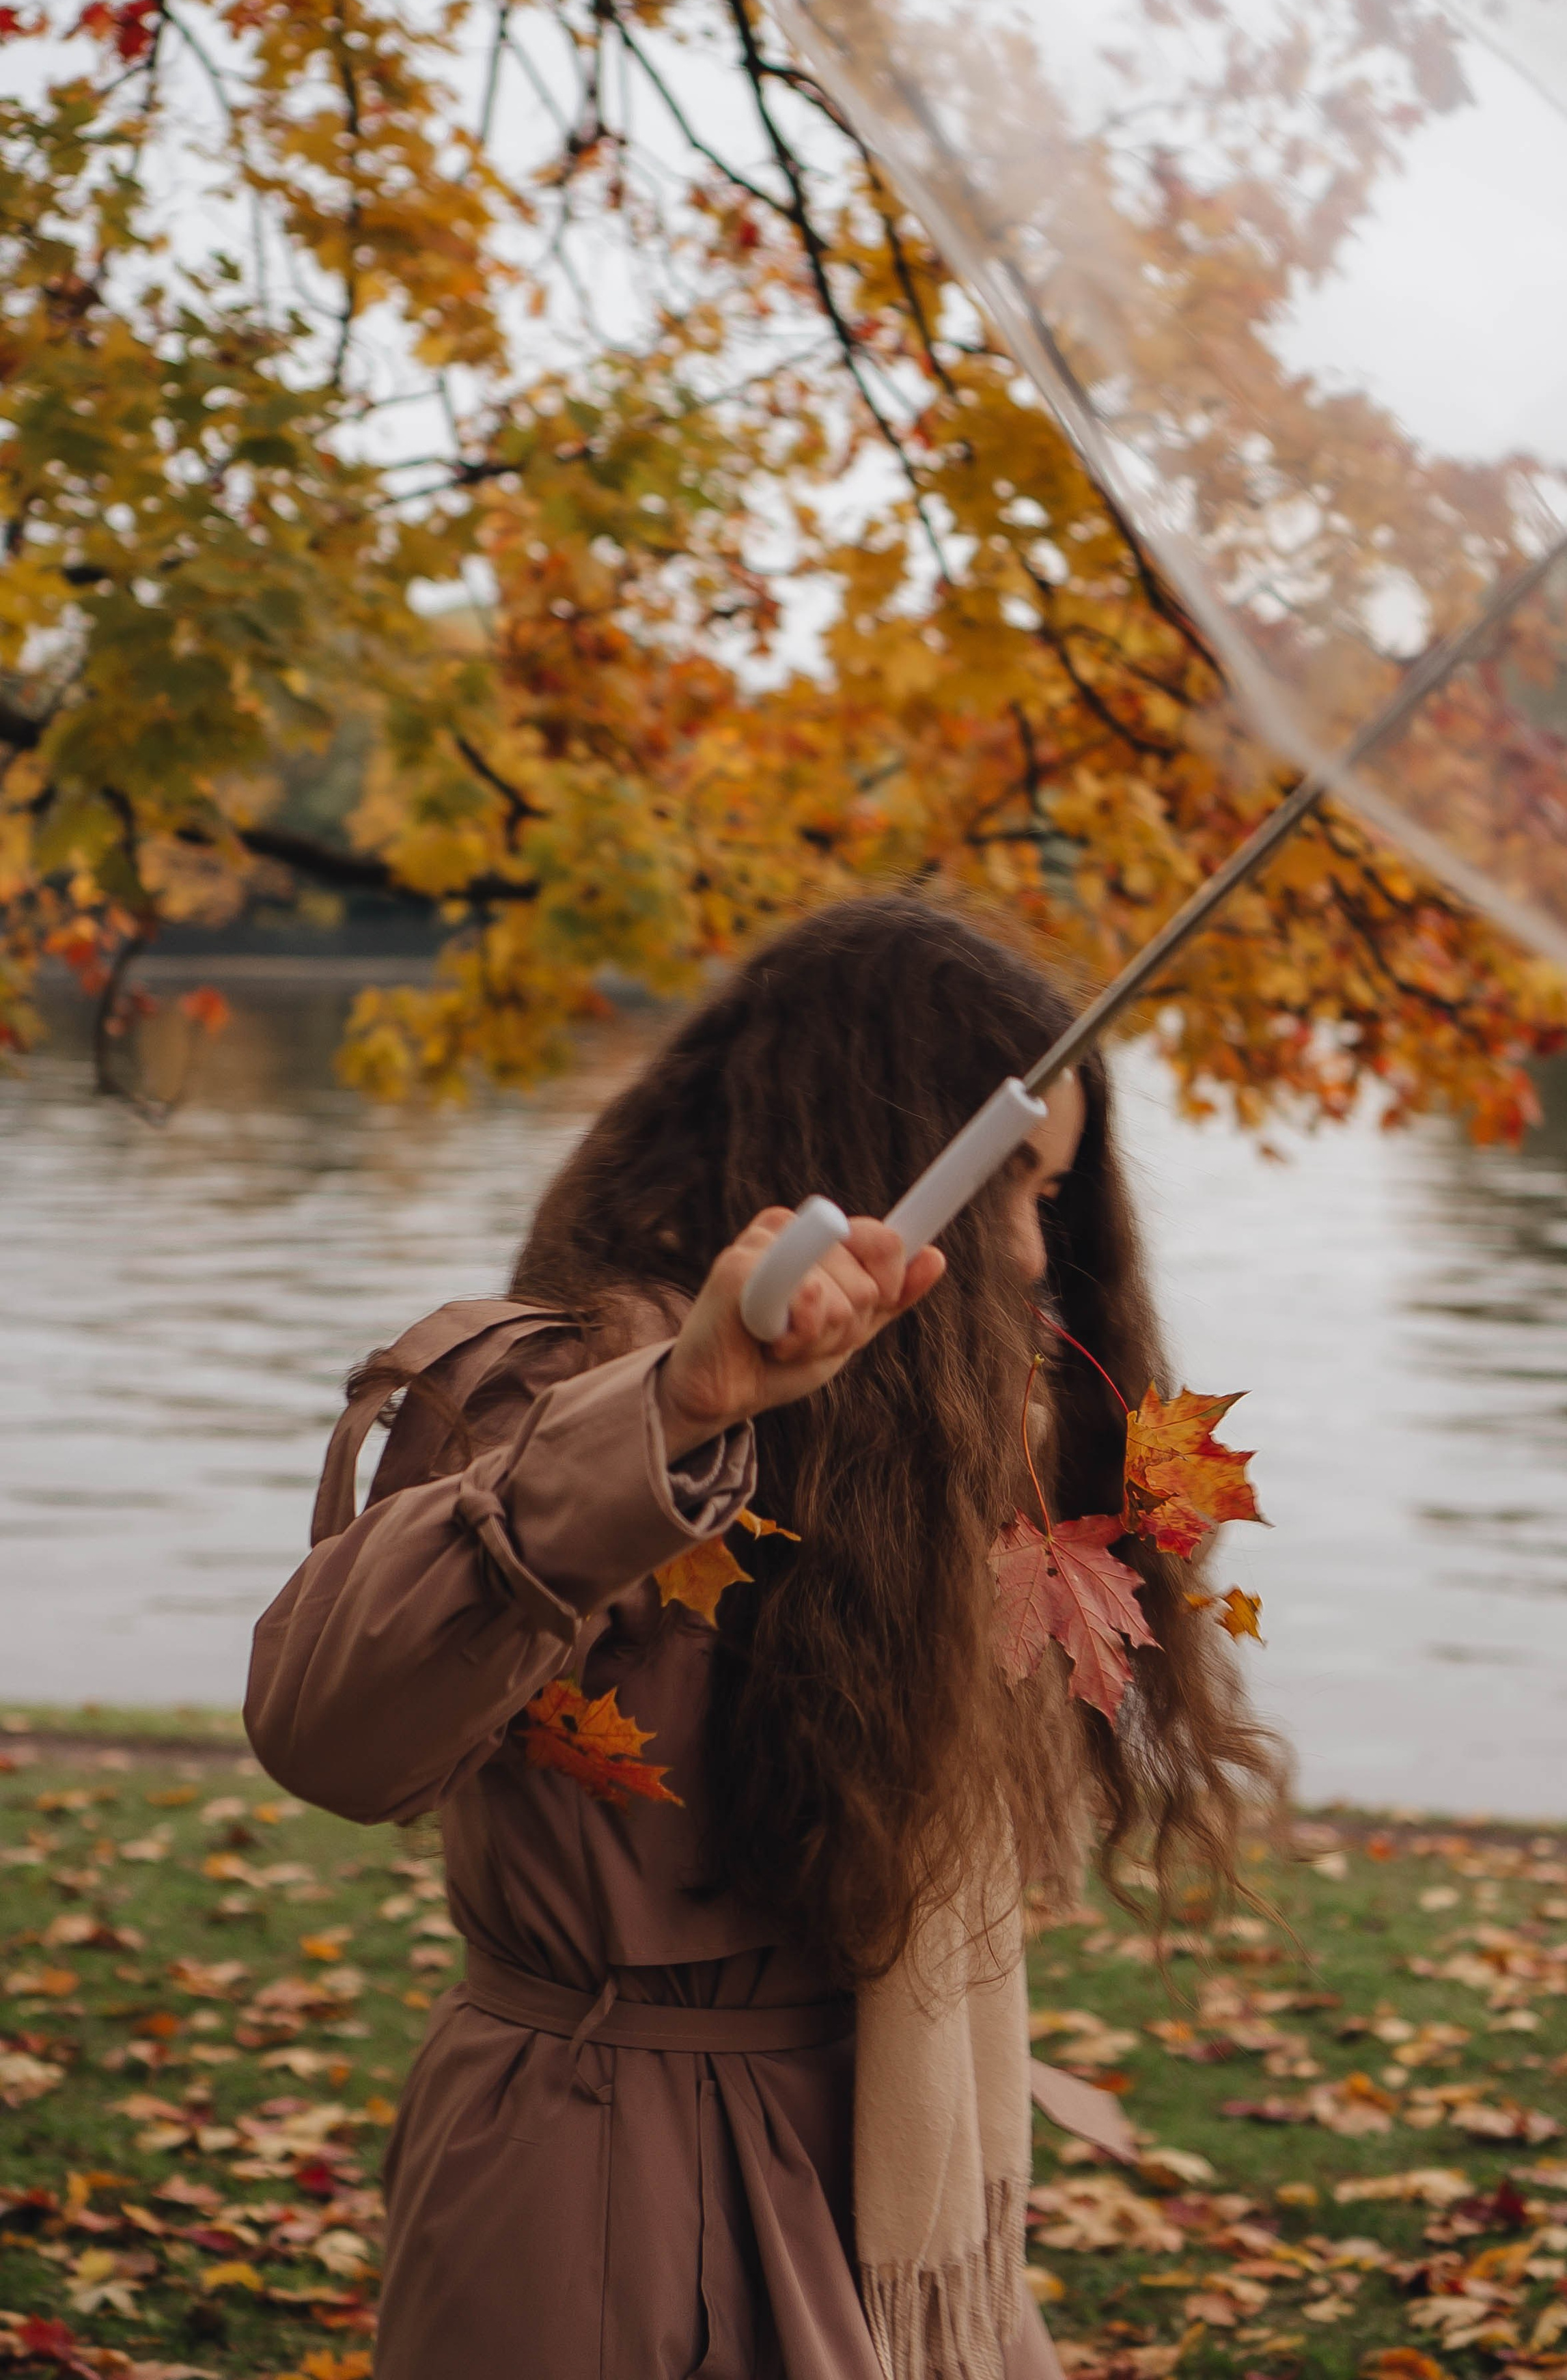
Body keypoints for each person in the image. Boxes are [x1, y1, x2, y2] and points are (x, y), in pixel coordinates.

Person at [246, 896, 1277, 2380]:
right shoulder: (574, 1381)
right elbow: (330, 1737)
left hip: (889, 2183)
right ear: (872, 1163)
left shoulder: (933, 1441)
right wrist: (677, 1415)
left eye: (1053, 1196)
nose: (1033, 1254)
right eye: (1006, 1189)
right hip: (602, 2192)